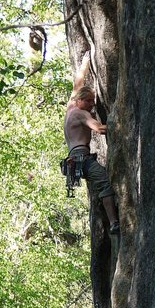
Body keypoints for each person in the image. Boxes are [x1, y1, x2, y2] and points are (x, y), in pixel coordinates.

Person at [64, 51, 120, 234]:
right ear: (80, 101)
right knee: (105, 182)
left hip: (76, 158)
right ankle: (113, 223)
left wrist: (85, 64)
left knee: (99, 184)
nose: (92, 105)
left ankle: (108, 217)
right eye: (88, 101)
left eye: (93, 102)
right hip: (81, 158)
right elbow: (100, 129)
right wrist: (119, 122)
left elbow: (77, 83)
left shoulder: (71, 107)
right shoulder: (81, 113)